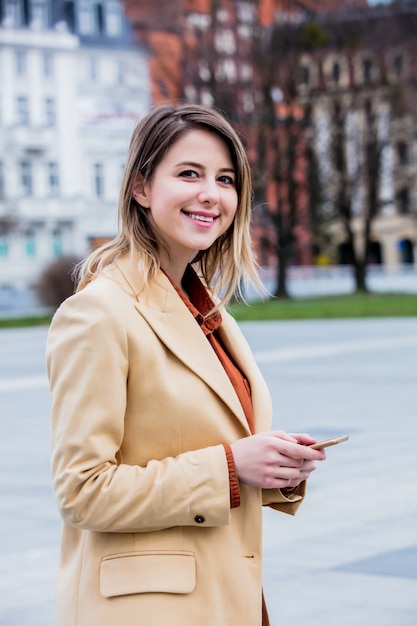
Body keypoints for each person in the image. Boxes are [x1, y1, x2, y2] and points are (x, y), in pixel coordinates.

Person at [46, 103, 326, 626]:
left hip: (226, 599)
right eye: (189, 174)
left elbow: (207, 452)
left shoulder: (208, 313)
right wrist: (231, 466)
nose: (210, 194)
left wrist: (273, 467)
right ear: (141, 188)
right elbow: (81, 491)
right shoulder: (97, 313)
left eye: (224, 178)